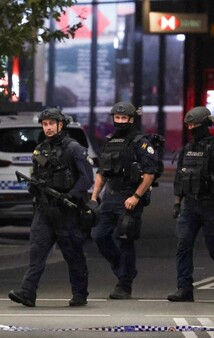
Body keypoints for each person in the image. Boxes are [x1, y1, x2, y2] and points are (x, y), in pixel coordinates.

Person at [8, 108, 94, 307]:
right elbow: (37, 174)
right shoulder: (40, 149)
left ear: (60, 125)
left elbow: (86, 178)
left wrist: (69, 195)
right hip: (44, 210)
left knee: (73, 254)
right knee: (36, 251)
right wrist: (34, 186)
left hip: (67, 212)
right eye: (44, 124)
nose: (47, 128)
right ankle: (28, 292)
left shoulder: (74, 148)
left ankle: (80, 294)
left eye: (51, 124)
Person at [168, 106, 214, 302]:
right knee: (183, 244)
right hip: (190, 206)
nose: (192, 128)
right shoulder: (187, 149)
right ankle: (184, 289)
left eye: (195, 125)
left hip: (211, 206)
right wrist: (177, 203)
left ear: (206, 124)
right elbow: (179, 179)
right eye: (189, 125)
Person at [90, 101, 159, 299]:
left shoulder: (141, 141)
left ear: (131, 119)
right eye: (117, 118)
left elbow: (149, 173)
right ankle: (121, 267)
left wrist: (136, 196)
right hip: (110, 196)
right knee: (98, 235)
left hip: (130, 196)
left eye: (124, 118)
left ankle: (124, 284)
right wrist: (94, 196)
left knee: (125, 239)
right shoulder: (109, 140)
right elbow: (102, 172)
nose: (120, 121)